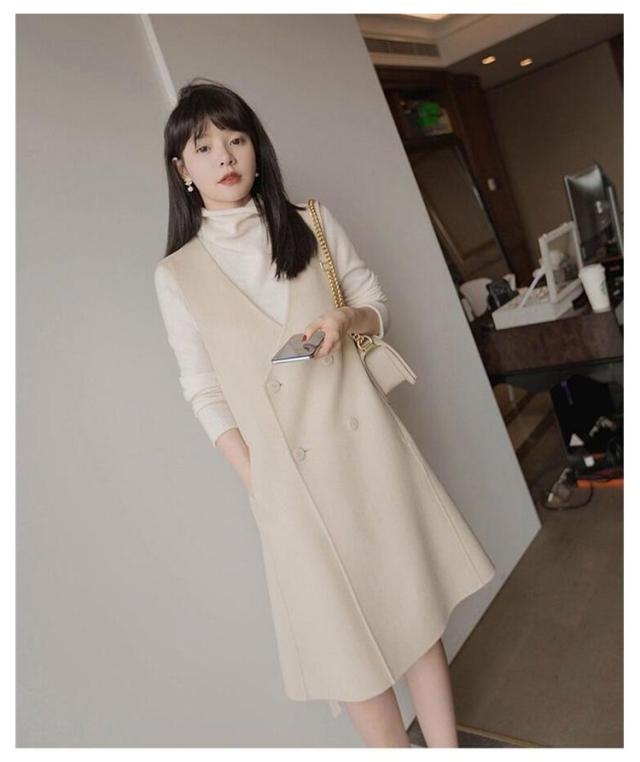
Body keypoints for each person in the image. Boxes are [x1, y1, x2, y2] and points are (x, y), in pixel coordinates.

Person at [154, 77, 496, 748]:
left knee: (413, 613)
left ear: (256, 148)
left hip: (365, 450)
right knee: (346, 649)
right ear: (183, 169)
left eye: (236, 139)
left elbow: (376, 302)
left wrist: (345, 318)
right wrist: (257, 478)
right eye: (204, 147)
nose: (225, 157)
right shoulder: (178, 274)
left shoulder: (308, 221)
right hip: (288, 481)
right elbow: (203, 390)